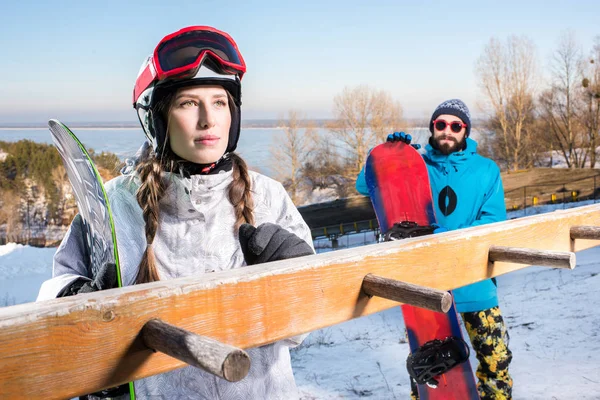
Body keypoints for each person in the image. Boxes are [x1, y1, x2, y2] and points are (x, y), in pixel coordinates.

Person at [37, 26, 314, 399]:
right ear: (158, 118)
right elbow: (56, 302)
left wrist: (302, 281)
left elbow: (302, 332)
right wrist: (73, 302)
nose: (208, 119)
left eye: (219, 102)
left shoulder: (268, 198)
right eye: (187, 103)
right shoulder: (116, 205)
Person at [356, 99, 513, 400]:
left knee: (497, 361)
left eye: (456, 126)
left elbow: (493, 223)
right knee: (430, 371)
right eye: (441, 125)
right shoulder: (415, 164)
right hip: (428, 288)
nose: (447, 132)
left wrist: (445, 236)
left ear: (465, 130)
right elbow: (366, 186)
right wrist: (387, 157)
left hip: (476, 286)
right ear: (432, 128)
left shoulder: (486, 170)